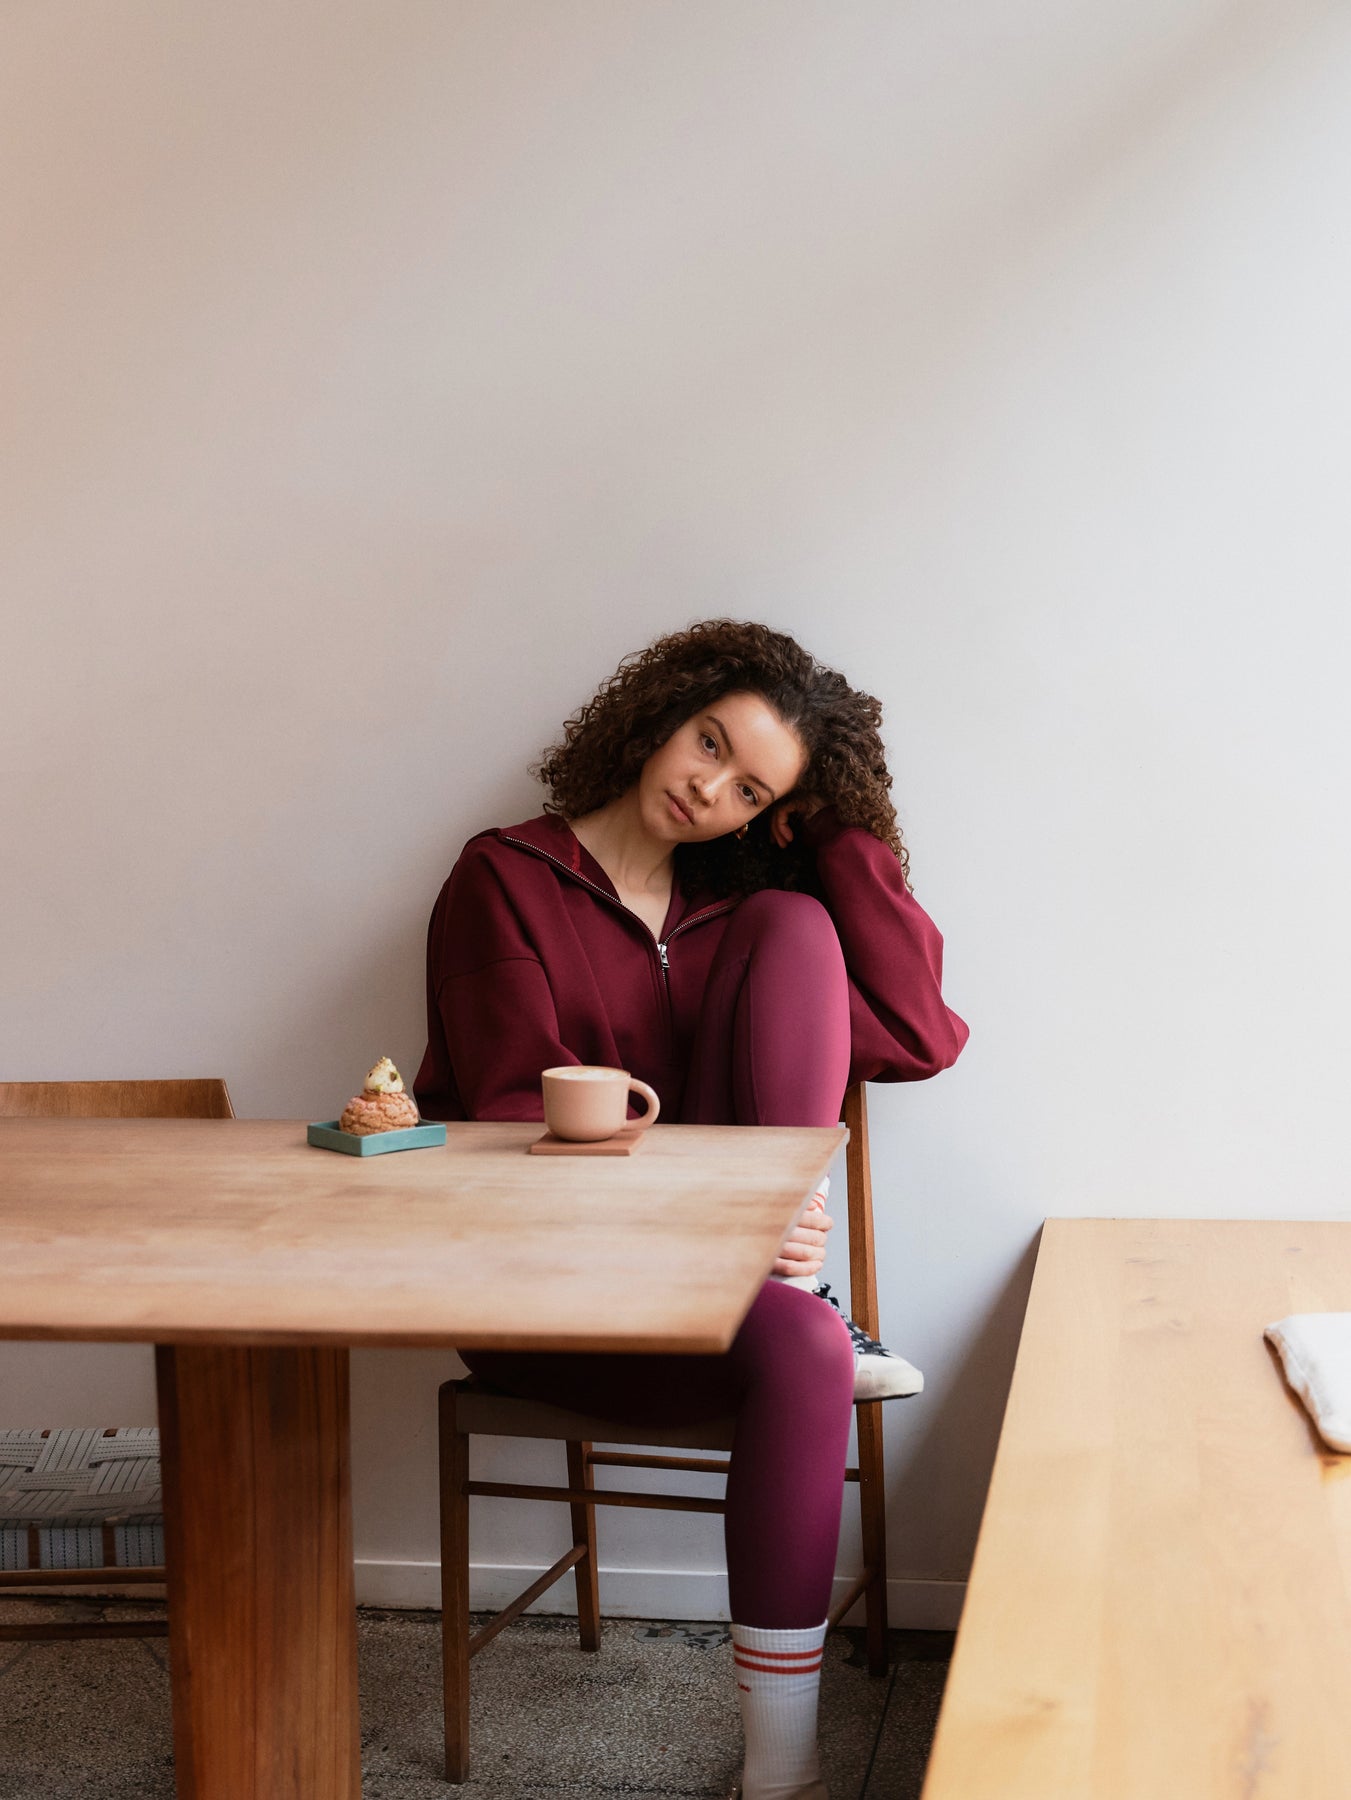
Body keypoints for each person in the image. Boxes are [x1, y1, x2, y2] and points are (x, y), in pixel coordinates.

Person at [414, 620, 967, 1800]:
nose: (706, 786)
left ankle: (779, 1774)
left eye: (749, 787)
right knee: (811, 1345)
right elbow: (516, 1108)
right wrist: (724, 1218)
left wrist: (827, 832)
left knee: (806, 1343)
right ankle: (795, 1289)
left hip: (713, 1296)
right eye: (707, 742)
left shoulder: (743, 913)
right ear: (663, 714)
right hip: (544, 1289)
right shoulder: (504, 878)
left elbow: (918, 1033)